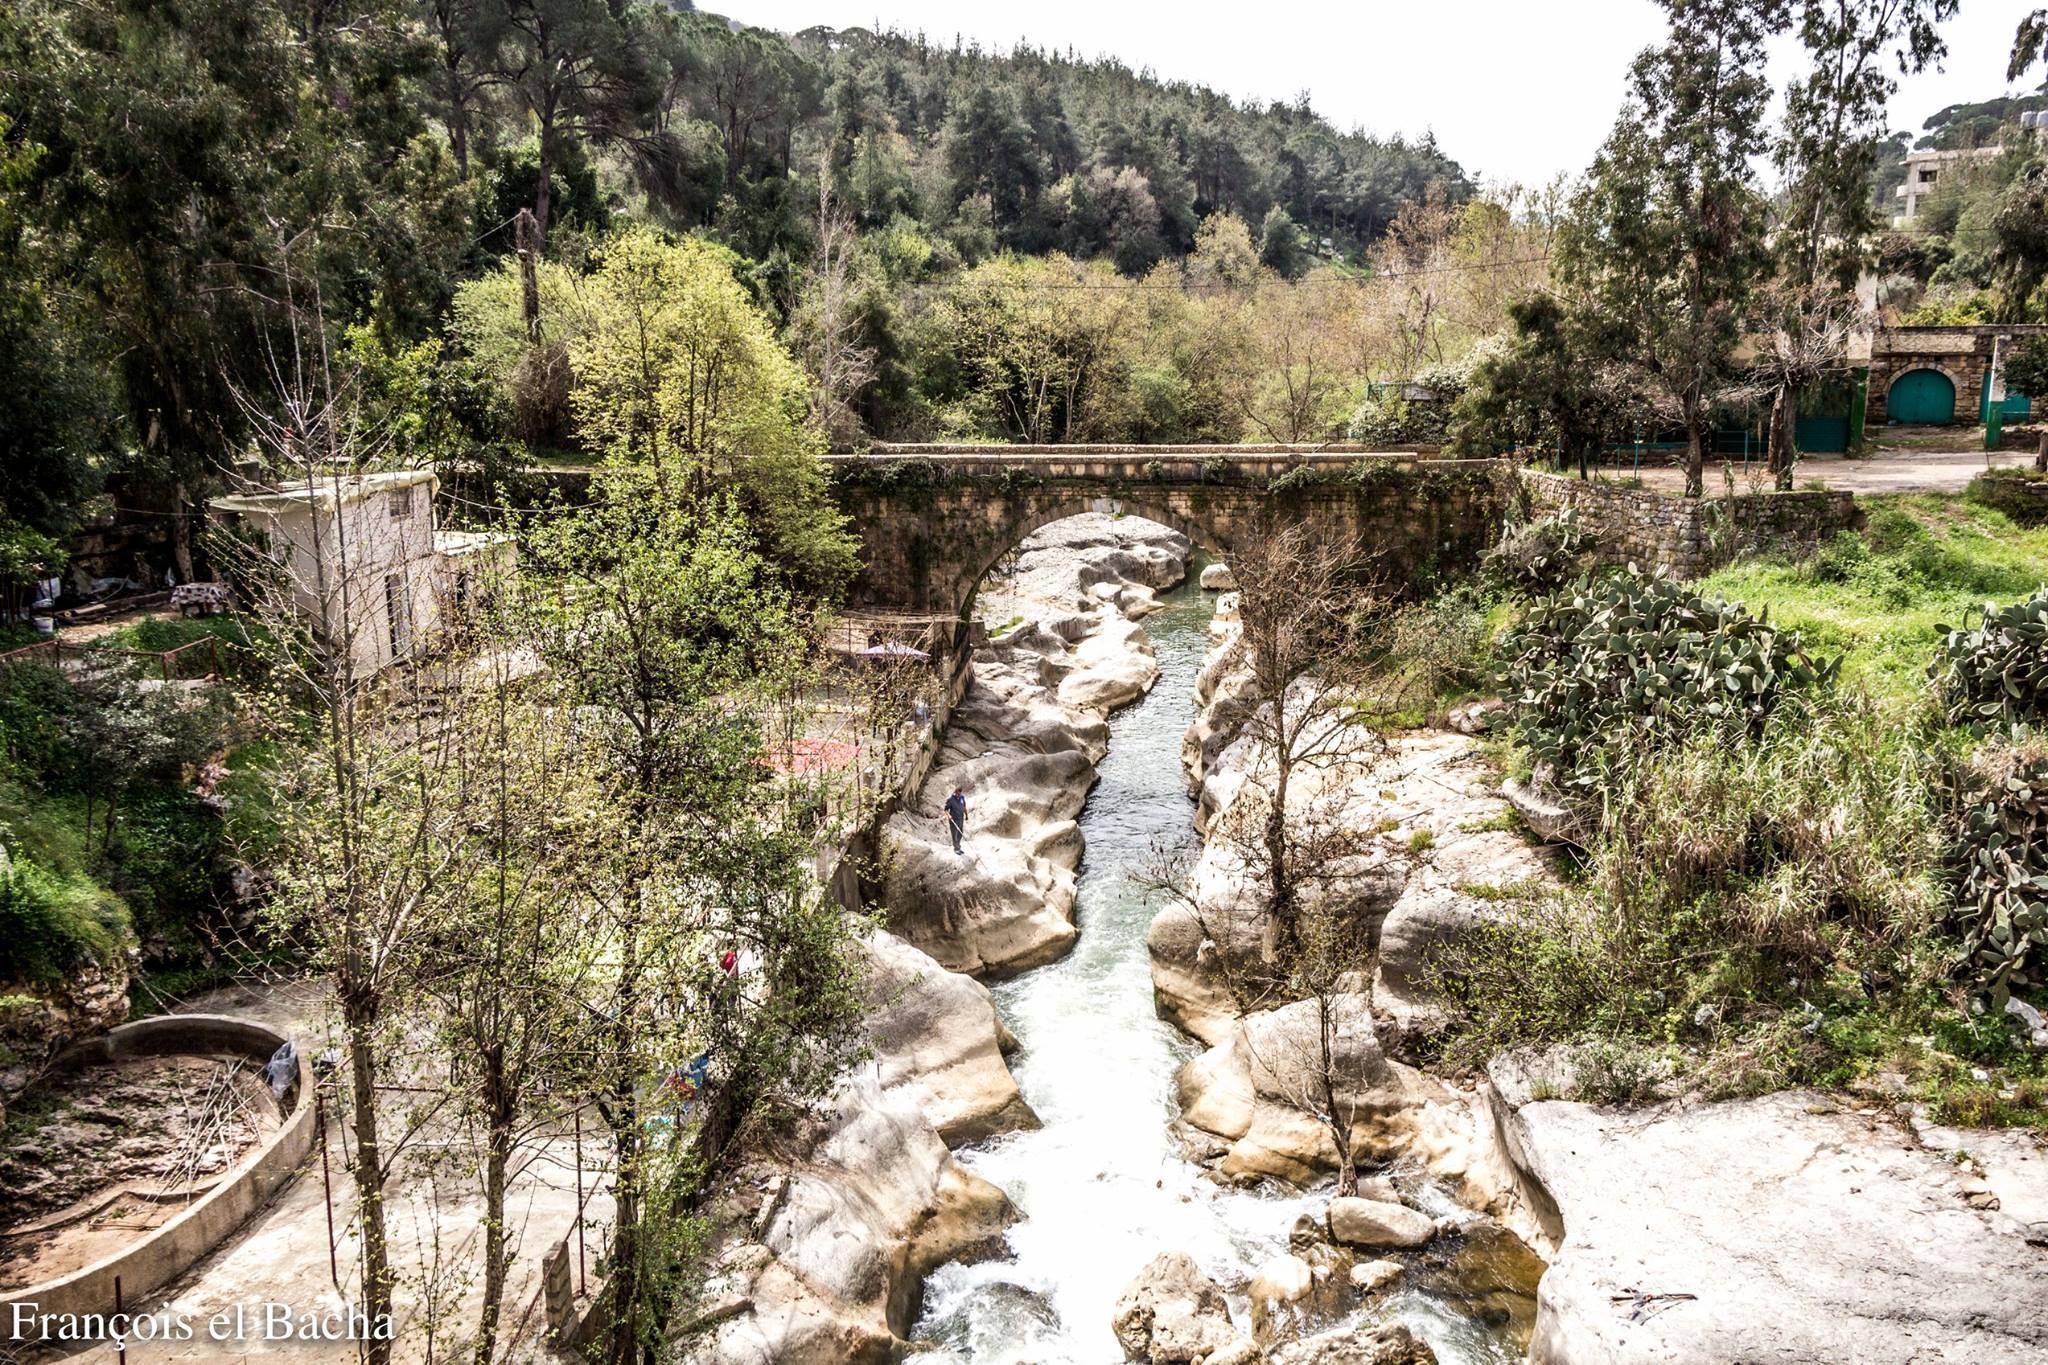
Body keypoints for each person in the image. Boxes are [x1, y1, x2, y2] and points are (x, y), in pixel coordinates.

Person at [945, 787, 967, 855]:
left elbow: (964, 807)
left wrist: (966, 815)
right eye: (957, 793)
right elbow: (945, 810)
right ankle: (956, 848)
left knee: (960, 833)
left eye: (959, 793)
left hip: (961, 818)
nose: (958, 794)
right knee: (955, 833)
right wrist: (949, 816)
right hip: (954, 819)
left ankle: (959, 847)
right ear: (955, 792)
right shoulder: (951, 800)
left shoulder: (962, 798)